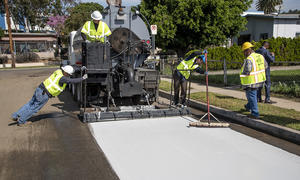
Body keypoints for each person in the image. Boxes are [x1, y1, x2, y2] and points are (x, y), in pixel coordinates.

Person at [11, 65, 88, 126]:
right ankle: (21, 121)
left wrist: (80, 68)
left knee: (30, 104)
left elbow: (71, 67)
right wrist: (82, 78)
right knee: (34, 108)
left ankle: (16, 115)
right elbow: (72, 81)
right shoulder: (63, 78)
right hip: (44, 94)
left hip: (40, 88)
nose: (69, 75)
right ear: (66, 73)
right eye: (68, 74)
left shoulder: (58, 71)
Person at [240, 42, 266, 119]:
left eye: (244, 51)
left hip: (251, 81)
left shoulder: (249, 59)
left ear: (248, 50)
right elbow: (266, 65)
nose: (244, 53)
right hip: (260, 79)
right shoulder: (260, 56)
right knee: (251, 96)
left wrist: (243, 73)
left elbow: (247, 71)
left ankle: (255, 113)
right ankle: (248, 106)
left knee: (251, 96)